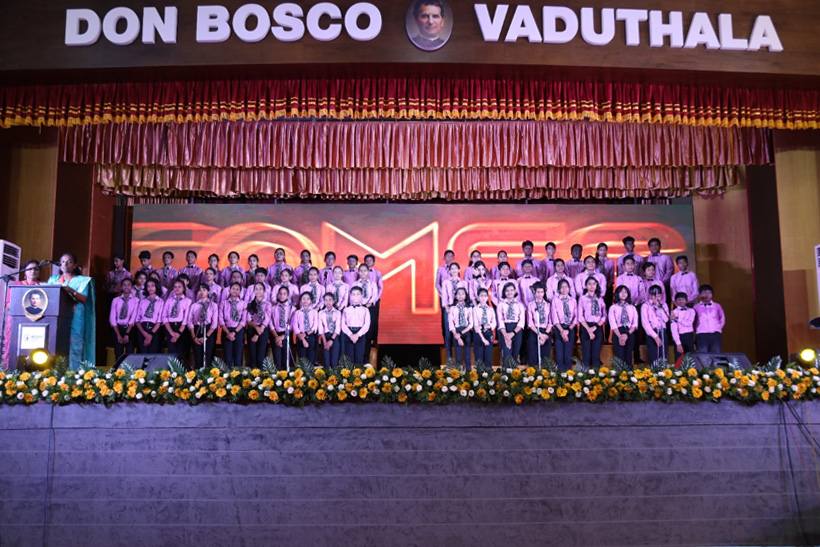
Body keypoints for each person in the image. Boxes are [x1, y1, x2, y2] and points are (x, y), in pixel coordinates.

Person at [48, 252, 95, 369]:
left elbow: (83, 298)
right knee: (55, 342)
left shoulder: (82, 280)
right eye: (63, 262)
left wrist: (71, 290)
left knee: (75, 342)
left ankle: (73, 372)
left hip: (75, 314)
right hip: (57, 315)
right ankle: (55, 371)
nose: (65, 264)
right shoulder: (53, 280)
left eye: (69, 262)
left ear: (74, 265)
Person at [440, 262, 467, 361]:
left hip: (461, 309)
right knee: (448, 334)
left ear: (459, 270)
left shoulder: (463, 283)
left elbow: (466, 296)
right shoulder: (446, 282)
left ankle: (461, 359)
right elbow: (444, 296)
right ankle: (449, 358)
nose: (454, 270)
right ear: (450, 271)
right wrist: (447, 308)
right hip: (449, 308)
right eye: (452, 269)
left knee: (460, 332)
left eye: (456, 268)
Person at [578, 277, 607, 368]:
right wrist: (588, 329)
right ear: (586, 286)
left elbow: (604, 315)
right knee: (586, 355)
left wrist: (595, 327)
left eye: (594, 284)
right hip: (585, 326)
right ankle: (585, 375)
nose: (592, 286)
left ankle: (596, 375)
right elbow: (580, 316)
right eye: (589, 284)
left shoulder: (600, 299)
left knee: (596, 356)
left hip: (597, 327)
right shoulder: (582, 299)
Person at [188, 284, 218, 369]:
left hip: (208, 331)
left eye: (204, 290)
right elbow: (190, 321)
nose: (202, 292)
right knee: (198, 359)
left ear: (208, 291)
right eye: (200, 290)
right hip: (197, 330)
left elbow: (214, 323)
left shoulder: (213, 305)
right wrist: (194, 337)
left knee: (208, 359)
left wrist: (206, 337)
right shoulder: (194, 305)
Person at [551, 279, 578, 371]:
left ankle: (568, 374)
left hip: (570, 328)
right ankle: (560, 375)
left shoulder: (573, 301)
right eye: (562, 287)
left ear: (569, 288)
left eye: (566, 286)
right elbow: (555, 317)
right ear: (559, 289)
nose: (564, 289)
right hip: (559, 328)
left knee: (568, 354)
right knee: (559, 354)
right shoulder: (555, 300)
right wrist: (562, 331)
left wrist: (568, 330)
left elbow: (576, 317)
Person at [608, 285, 638, 368]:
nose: (624, 294)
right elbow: (613, 324)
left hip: (629, 332)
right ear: (617, 294)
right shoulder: (613, 308)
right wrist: (620, 337)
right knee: (620, 357)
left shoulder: (632, 308)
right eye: (621, 292)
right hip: (618, 332)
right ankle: (620, 375)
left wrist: (627, 335)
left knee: (628, 357)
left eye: (625, 292)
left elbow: (634, 324)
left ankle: (629, 374)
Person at [109, 277, 138, 361]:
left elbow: (133, 317)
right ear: (121, 287)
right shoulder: (116, 300)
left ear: (132, 287)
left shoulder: (136, 300)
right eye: (124, 285)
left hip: (130, 329)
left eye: (129, 285)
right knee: (118, 354)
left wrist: (127, 334)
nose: (126, 287)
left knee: (130, 353)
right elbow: (112, 317)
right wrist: (118, 334)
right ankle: (118, 369)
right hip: (117, 328)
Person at [162, 279, 191, 362]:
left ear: (184, 288)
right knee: (172, 353)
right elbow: (164, 316)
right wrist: (171, 333)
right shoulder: (169, 301)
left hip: (181, 328)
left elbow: (186, 318)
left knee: (181, 354)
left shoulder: (188, 301)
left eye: (179, 287)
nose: (177, 289)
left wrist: (178, 333)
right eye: (175, 287)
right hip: (170, 327)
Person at [220, 282, 247, 368]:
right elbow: (221, 319)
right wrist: (228, 333)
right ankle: (227, 375)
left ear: (240, 292)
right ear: (229, 290)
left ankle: (237, 375)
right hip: (226, 331)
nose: (235, 291)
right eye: (233, 289)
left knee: (238, 358)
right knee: (227, 358)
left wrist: (234, 332)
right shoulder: (223, 303)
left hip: (238, 331)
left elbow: (243, 321)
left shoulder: (243, 303)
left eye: (237, 289)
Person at [496, 282, 525, 362]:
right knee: (507, 355)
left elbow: (521, 321)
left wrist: (513, 333)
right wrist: (506, 335)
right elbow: (500, 321)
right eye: (507, 290)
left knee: (515, 355)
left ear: (515, 291)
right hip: (505, 329)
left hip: (516, 330)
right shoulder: (500, 305)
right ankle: (506, 370)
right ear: (504, 292)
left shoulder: (519, 305)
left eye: (511, 290)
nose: (509, 292)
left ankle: (514, 369)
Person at [342, 286, 371, 365]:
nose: (355, 296)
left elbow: (367, 324)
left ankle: (358, 372)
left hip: (360, 333)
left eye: (358, 294)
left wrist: (357, 335)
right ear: (350, 296)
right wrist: (350, 334)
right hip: (349, 333)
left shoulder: (365, 310)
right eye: (353, 294)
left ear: (361, 296)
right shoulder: (346, 310)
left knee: (359, 357)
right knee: (349, 358)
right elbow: (343, 324)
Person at [641, 287, 670, 365]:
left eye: (659, 296)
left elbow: (666, 319)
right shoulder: (645, 306)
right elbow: (645, 323)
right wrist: (655, 336)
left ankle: (664, 371)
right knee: (654, 357)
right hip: (652, 333)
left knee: (663, 356)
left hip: (662, 331)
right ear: (650, 296)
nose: (657, 298)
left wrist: (659, 307)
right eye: (654, 296)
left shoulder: (664, 305)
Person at [246, 282, 272, 368]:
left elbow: (267, 319)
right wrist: (256, 328)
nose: (258, 291)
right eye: (256, 289)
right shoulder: (250, 304)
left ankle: (261, 374)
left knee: (261, 356)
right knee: (252, 356)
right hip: (252, 329)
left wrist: (258, 332)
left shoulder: (268, 304)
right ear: (253, 291)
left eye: (260, 289)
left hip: (263, 330)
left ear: (264, 291)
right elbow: (249, 319)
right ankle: (253, 374)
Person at [526, 283, 551, 368]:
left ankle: (545, 373)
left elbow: (550, 322)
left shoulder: (548, 305)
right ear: (534, 292)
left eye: (541, 292)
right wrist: (540, 335)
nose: (540, 294)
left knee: (545, 357)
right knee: (532, 355)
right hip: (535, 331)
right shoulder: (531, 305)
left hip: (546, 331)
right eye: (538, 292)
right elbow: (530, 323)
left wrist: (545, 335)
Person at [694, 285, 725, 353]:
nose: (706, 295)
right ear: (700, 295)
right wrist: (697, 329)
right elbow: (693, 321)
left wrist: (718, 328)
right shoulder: (696, 307)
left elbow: (722, 318)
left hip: (715, 334)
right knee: (703, 355)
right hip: (701, 334)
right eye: (704, 293)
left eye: (709, 293)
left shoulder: (717, 306)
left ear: (712, 294)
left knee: (716, 354)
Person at [135, 279, 163, 354]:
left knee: (153, 354)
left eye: (152, 286)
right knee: (142, 353)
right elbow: (137, 320)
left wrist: (150, 335)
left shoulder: (161, 302)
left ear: (157, 287)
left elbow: (159, 321)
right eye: (148, 286)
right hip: (142, 328)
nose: (150, 288)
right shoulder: (143, 301)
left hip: (154, 329)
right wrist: (144, 333)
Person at [270, 286, 294, 371]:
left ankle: (286, 376)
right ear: (277, 295)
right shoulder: (273, 308)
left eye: (284, 294)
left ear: (287, 296)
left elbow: (292, 324)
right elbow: (270, 323)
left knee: (286, 360)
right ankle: (278, 377)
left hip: (286, 335)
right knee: (277, 360)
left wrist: (283, 336)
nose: (282, 295)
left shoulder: (292, 308)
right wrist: (277, 337)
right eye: (280, 293)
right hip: (275, 335)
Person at [448, 287, 473, 369]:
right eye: (458, 294)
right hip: (456, 332)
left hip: (466, 331)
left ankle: (469, 375)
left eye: (463, 294)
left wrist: (461, 334)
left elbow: (471, 324)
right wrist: (457, 336)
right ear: (455, 296)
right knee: (458, 358)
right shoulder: (452, 308)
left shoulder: (469, 308)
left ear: (465, 296)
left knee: (467, 358)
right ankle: (458, 375)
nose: (461, 296)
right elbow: (451, 323)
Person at [472, 288, 496, 368]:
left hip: (488, 334)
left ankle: (488, 374)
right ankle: (479, 375)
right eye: (481, 296)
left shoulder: (490, 309)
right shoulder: (475, 309)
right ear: (478, 297)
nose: (483, 298)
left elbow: (494, 324)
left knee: (488, 358)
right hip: (479, 335)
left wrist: (483, 326)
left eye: (485, 296)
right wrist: (483, 339)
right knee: (479, 359)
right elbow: (476, 326)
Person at [364, 254, 384, 349]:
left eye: (370, 260)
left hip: (374, 301)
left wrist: (374, 300)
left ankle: (374, 340)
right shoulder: (361, 272)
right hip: (364, 300)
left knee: (374, 320)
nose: (368, 262)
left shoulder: (378, 273)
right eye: (366, 260)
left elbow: (380, 288)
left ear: (373, 262)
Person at [670, 292, 696, 362]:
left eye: (683, 299)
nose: (681, 301)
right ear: (675, 302)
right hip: (679, 336)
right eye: (679, 299)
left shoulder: (691, 311)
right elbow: (674, 329)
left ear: (686, 300)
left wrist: (677, 319)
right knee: (678, 358)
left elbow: (689, 323)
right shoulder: (673, 312)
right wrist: (678, 343)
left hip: (689, 336)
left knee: (690, 358)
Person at [319, 293, 342, 368]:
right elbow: (320, 328)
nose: (328, 302)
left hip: (334, 337)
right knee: (326, 361)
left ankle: (334, 374)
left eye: (330, 300)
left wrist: (331, 340)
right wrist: (325, 342)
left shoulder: (338, 313)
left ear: (333, 301)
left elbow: (338, 327)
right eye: (326, 300)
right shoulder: (321, 313)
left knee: (334, 361)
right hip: (325, 337)